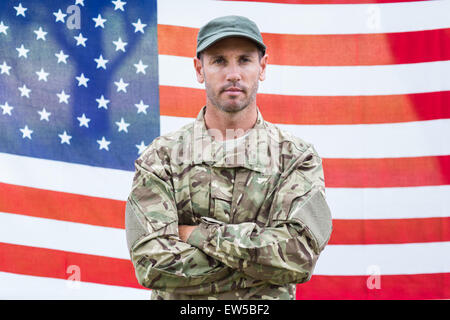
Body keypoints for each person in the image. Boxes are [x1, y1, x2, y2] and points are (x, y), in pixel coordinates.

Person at [125, 15, 332, 300]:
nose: (233, 73)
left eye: (244, 60)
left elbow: (298, 257)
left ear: (263, 67)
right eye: (219, 61)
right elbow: (152, 265)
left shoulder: (294, 158)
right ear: (200, 69)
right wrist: (258, 269)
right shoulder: (161, 158)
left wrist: (196, 235)